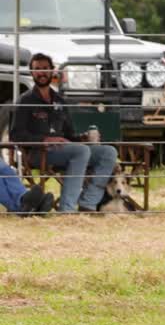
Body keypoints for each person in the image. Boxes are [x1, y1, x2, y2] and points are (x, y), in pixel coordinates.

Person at [10, 53, 118, 213]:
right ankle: (67, 209)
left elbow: (68, 134)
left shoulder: (59, 100)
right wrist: (44, 139)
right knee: (81, 151)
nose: (41, 73)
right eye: (37, 69)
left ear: (53, 70)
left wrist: (82, 137)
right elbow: (16, 135)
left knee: (108, 152)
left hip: (65, 149)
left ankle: (88, 202)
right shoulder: (25, 100)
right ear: (31, 72)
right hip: (38, 152)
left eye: (45, 69)